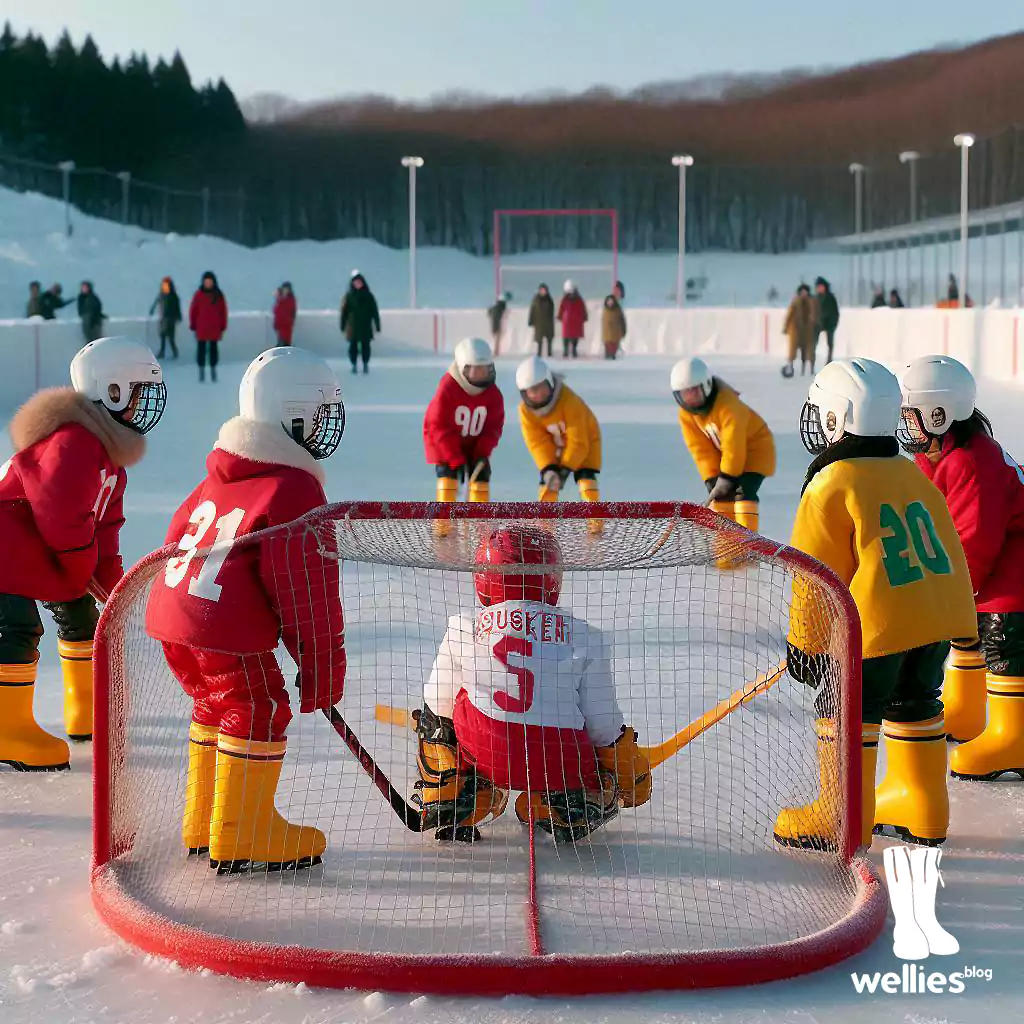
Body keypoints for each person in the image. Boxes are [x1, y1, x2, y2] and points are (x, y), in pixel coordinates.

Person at [145, 347, 346, 873]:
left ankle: (206, 821)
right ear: (294, 414)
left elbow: (175, 536)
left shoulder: (219, 475)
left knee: (215, 706)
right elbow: (306, 588)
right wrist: (321, 664)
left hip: (175, 618)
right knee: (258, 706)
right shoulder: (294, 486)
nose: (326, 426)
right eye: (321, 412)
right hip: (221, 624)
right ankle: (242, 833)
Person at [774, 358, 976, 851]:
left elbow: (815, 578)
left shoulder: (831, 484)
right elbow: (948, 544)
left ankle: (839, 816)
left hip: (878, 627)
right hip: (934, 621)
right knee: (915, 703)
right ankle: (922, 806)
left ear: (834, 420)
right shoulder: (911, 474)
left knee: (843, 708)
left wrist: (806, 645)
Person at [415, 524, 652, 843]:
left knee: (449, 702)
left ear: (484, 579)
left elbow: (436, 703)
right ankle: (566, 802)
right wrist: (624, 767)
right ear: (552, 580)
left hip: (486, 749)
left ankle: (451, 789)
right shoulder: (586, 636)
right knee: (580, 726)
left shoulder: (463, 626)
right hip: (559, 758)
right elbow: (603, 724)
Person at [0, 337, 166, 767]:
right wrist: (79, 566)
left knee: (81, 617)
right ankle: (6, 729)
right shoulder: (73, 442)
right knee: (16, 629)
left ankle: (87, 711)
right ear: (110, 389)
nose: (141, 405)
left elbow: (105, 528)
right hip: (8, 551)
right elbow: (60, 514)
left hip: (42, 556)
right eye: (136, 393)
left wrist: (115, 589)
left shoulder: (110, 456)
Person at [898, 356, 1024, 777]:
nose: (907, 426)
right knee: (965, 624)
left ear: (939, 415)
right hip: (998, 559)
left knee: (1001, 634)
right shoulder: (937, 456)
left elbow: (974, 541)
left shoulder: (971, 463)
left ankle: (1014, 738)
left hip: (1014, 566)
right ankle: (968, 713)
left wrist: (949, 594)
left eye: (912, 416)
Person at [670, 356, 776, 534]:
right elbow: (700, 450)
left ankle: (747, 546)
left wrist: (727, 475)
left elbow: (733, 442)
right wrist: (712, 478)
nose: (691, 399)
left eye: (695, 391)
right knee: (721, 498)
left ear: (706, 386)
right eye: (685, 394)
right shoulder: (686, 415)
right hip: (727, 456)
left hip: (756, 450)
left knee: (743, 492)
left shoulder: (727, 405)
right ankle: (726, 554)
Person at [423, 338, 505, 524]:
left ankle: (478, 522)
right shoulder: (448, 388)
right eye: (474, 369)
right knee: (448, 478)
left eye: (484, 368)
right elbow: (438, 426)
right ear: (462, 368)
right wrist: (454, 458)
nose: (480, 374)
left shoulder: (493, 394)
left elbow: (493, 427)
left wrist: (481, 453)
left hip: (474, 444)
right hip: (444, 445)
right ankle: (443, 525)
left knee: (481, 476)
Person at [516, 356, 602, 520]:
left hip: (586, 441)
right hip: (555, 444)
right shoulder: (526, 412)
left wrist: (566, 468)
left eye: (542, 387)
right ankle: (545, 526)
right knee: (549, 481)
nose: (539, 394)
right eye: (533, 390)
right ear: (525, 393)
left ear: (550, 382)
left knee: (586, 478)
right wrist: (549, 467)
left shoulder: (569, 401)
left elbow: (579, 441)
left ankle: (595, 523)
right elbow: (537, 442)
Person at [189, 271, 228, 383]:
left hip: (214, 328)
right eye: (206, 282)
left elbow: (223, 311)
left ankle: (213, 371)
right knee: (201, 350)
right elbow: (193, 310)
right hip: (201, 327)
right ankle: (201, 372)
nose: (208, 284)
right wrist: (193, 324)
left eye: (210, 282)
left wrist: (223, 326)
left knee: (213, 350)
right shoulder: (199, 294)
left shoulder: (218, 295)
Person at [340, 269, 381, 375]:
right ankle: (353, 364)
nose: (358, 284)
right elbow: (344, 312)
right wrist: (342, 325)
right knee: (353, 347)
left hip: (365, 325)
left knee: (365, 347)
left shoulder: (369, 296)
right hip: (352, 326)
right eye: (355, 282)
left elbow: (374, 311)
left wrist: (377, 325)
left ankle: (365, 364)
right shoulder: (348, 297)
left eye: (359, 282)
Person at [781, 284, 817, 378]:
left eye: (806, 292)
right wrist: (786, 327)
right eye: (802, 292)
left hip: (806, 330)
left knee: (808, 350)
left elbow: (814, 314)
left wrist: (814, 323)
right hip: (795, 330)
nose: (804, 294)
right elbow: (789, 315)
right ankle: (790, 367)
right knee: (792, 350)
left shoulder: (811, 302)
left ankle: (809, 369)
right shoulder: (795, 302)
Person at [150, 276, 182, 359]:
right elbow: (156, 303)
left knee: (171, 337)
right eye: (164, 285)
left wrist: (178, 316)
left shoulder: (173, 296)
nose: (165, 287)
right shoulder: (161, 295)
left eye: (166, 285)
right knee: (162, 335)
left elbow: (177, 307)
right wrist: (152, 310)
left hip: (171, 319)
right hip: (163, 318)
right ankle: (162, 351)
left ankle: (175, 352)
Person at [557, 280, 588, 359]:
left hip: (569, 321)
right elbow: (562, 308)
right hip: (572, 321)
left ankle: (568, 351)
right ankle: (569, 351)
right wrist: (584, 316)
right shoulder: (575, 299)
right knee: (571, 337)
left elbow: (562, 309)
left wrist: (560, 316)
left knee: (570, 337)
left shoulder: (567, 299)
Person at [814, 277, 839, 365]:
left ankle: (829, 360)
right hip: (818, 323)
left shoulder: (830, 297)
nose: (820, 288)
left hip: (829, 323)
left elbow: (835, 311)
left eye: (821, 286)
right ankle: (812, 360)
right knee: (813, 342)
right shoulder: (816, 298)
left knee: (830, 343)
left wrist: (834, 322)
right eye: (818, 287)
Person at [528, 283, 555, 358]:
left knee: (549, 338)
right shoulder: (536, 299)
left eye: (545, 290)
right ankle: (539, 353)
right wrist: (531, 320)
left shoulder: (549, 299)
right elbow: (532, 310)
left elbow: (552, 311)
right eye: (542, 290)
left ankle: (549, 353)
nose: (543, 291)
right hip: (539, 322)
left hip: (548, 322)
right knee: (539, 340)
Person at [601, 294, 626, 360]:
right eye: (608, 301)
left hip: (616, 333)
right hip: (607, 334)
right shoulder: (605, 310)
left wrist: (623, 330)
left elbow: (622, 320)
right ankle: (608, 357)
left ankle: (612, 356)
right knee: (607, 349)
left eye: (611, 301)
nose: (610, 303)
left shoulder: (618, 310)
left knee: (613, 349)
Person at [273, 282, 297, 347]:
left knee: (284, 343)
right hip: (281, 326)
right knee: (282, 342)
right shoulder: (281, 299)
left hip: (286, 326)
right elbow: (277, 311)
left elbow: (291, 312)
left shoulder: (290, 299)